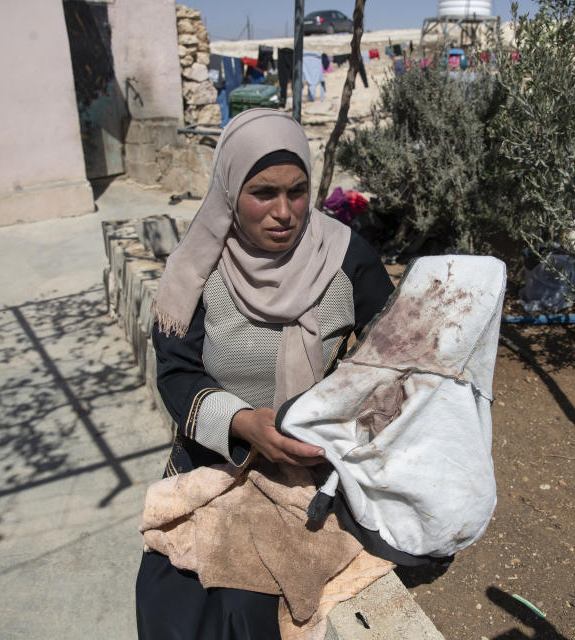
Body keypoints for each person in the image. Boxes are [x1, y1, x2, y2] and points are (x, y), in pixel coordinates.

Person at [135, 108, 394, 640]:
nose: (284, 212)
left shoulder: (346, 259)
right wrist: (245, 424)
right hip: (217, 454)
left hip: (314, 465)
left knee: (252, 611)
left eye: (297, 191)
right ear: (231, 190)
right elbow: (178, 373)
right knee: (175, 602)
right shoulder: (197, 268)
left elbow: (395, 361)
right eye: (263, 193)